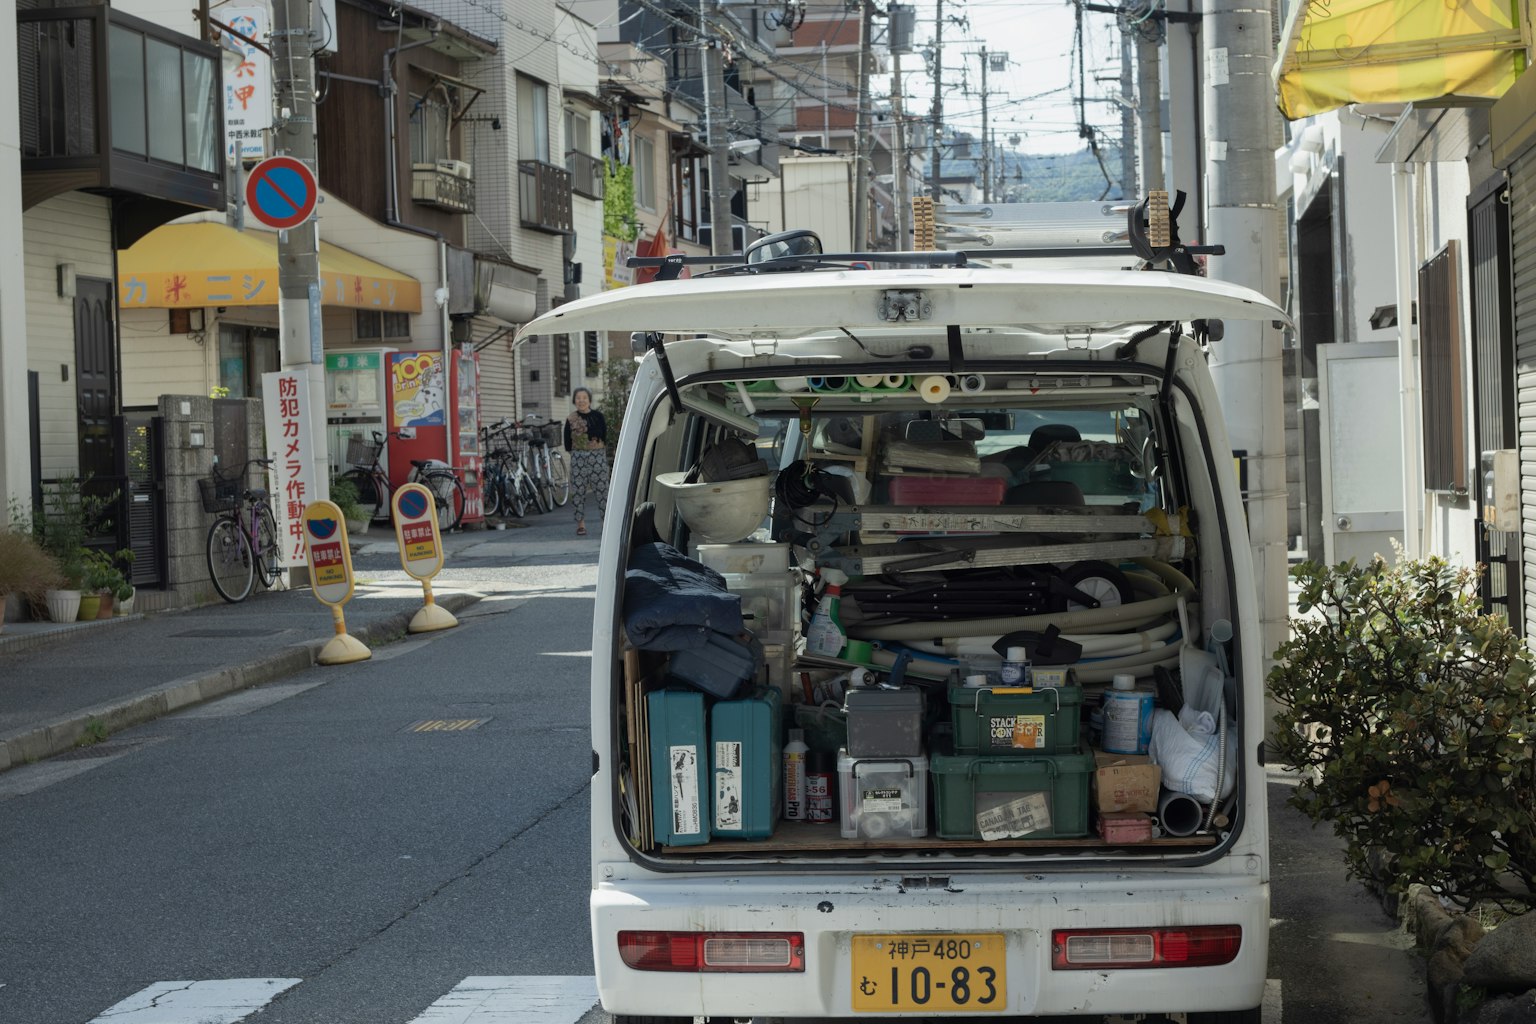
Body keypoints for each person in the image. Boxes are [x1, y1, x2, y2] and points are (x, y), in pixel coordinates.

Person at [564, 387, 609, 536]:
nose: (581, 400)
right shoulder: (571, 419)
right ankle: (581, 524)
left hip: (598, 456)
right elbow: (567, 443)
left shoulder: (598, 416)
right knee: (578, 491)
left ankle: (606, 523)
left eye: (584, 398)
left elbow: (604, 436)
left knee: (603, 490)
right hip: (578, 457)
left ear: (589, 400)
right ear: (574, 401)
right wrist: (578, 452)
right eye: (578, 398)